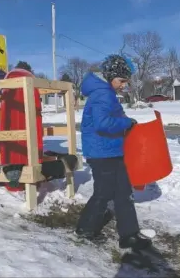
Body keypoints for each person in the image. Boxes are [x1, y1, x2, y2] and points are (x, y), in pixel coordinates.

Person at [75, 54, 152, 250]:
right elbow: (103, 124)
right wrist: (127, 123)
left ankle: (129, 234)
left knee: (124, 192)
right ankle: (84, 229)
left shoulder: (105, 92)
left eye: (126, 81)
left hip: (112, 150)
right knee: (104, 193)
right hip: (101, 153)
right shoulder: (103, 94)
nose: (123, 85)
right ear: (110, 76)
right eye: (121, 80)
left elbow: (111, 117)